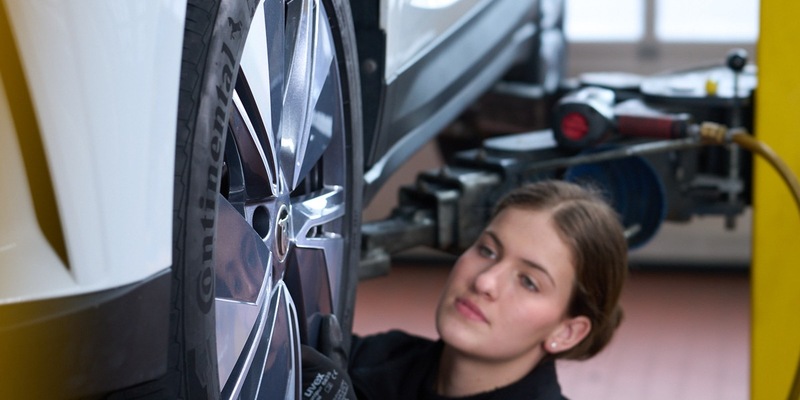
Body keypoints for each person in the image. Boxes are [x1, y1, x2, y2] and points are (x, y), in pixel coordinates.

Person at [303, 180, 628, 400]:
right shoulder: (381, 359)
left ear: (567, 332)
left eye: (528, 282)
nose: (484, 282)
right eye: (487, 251)